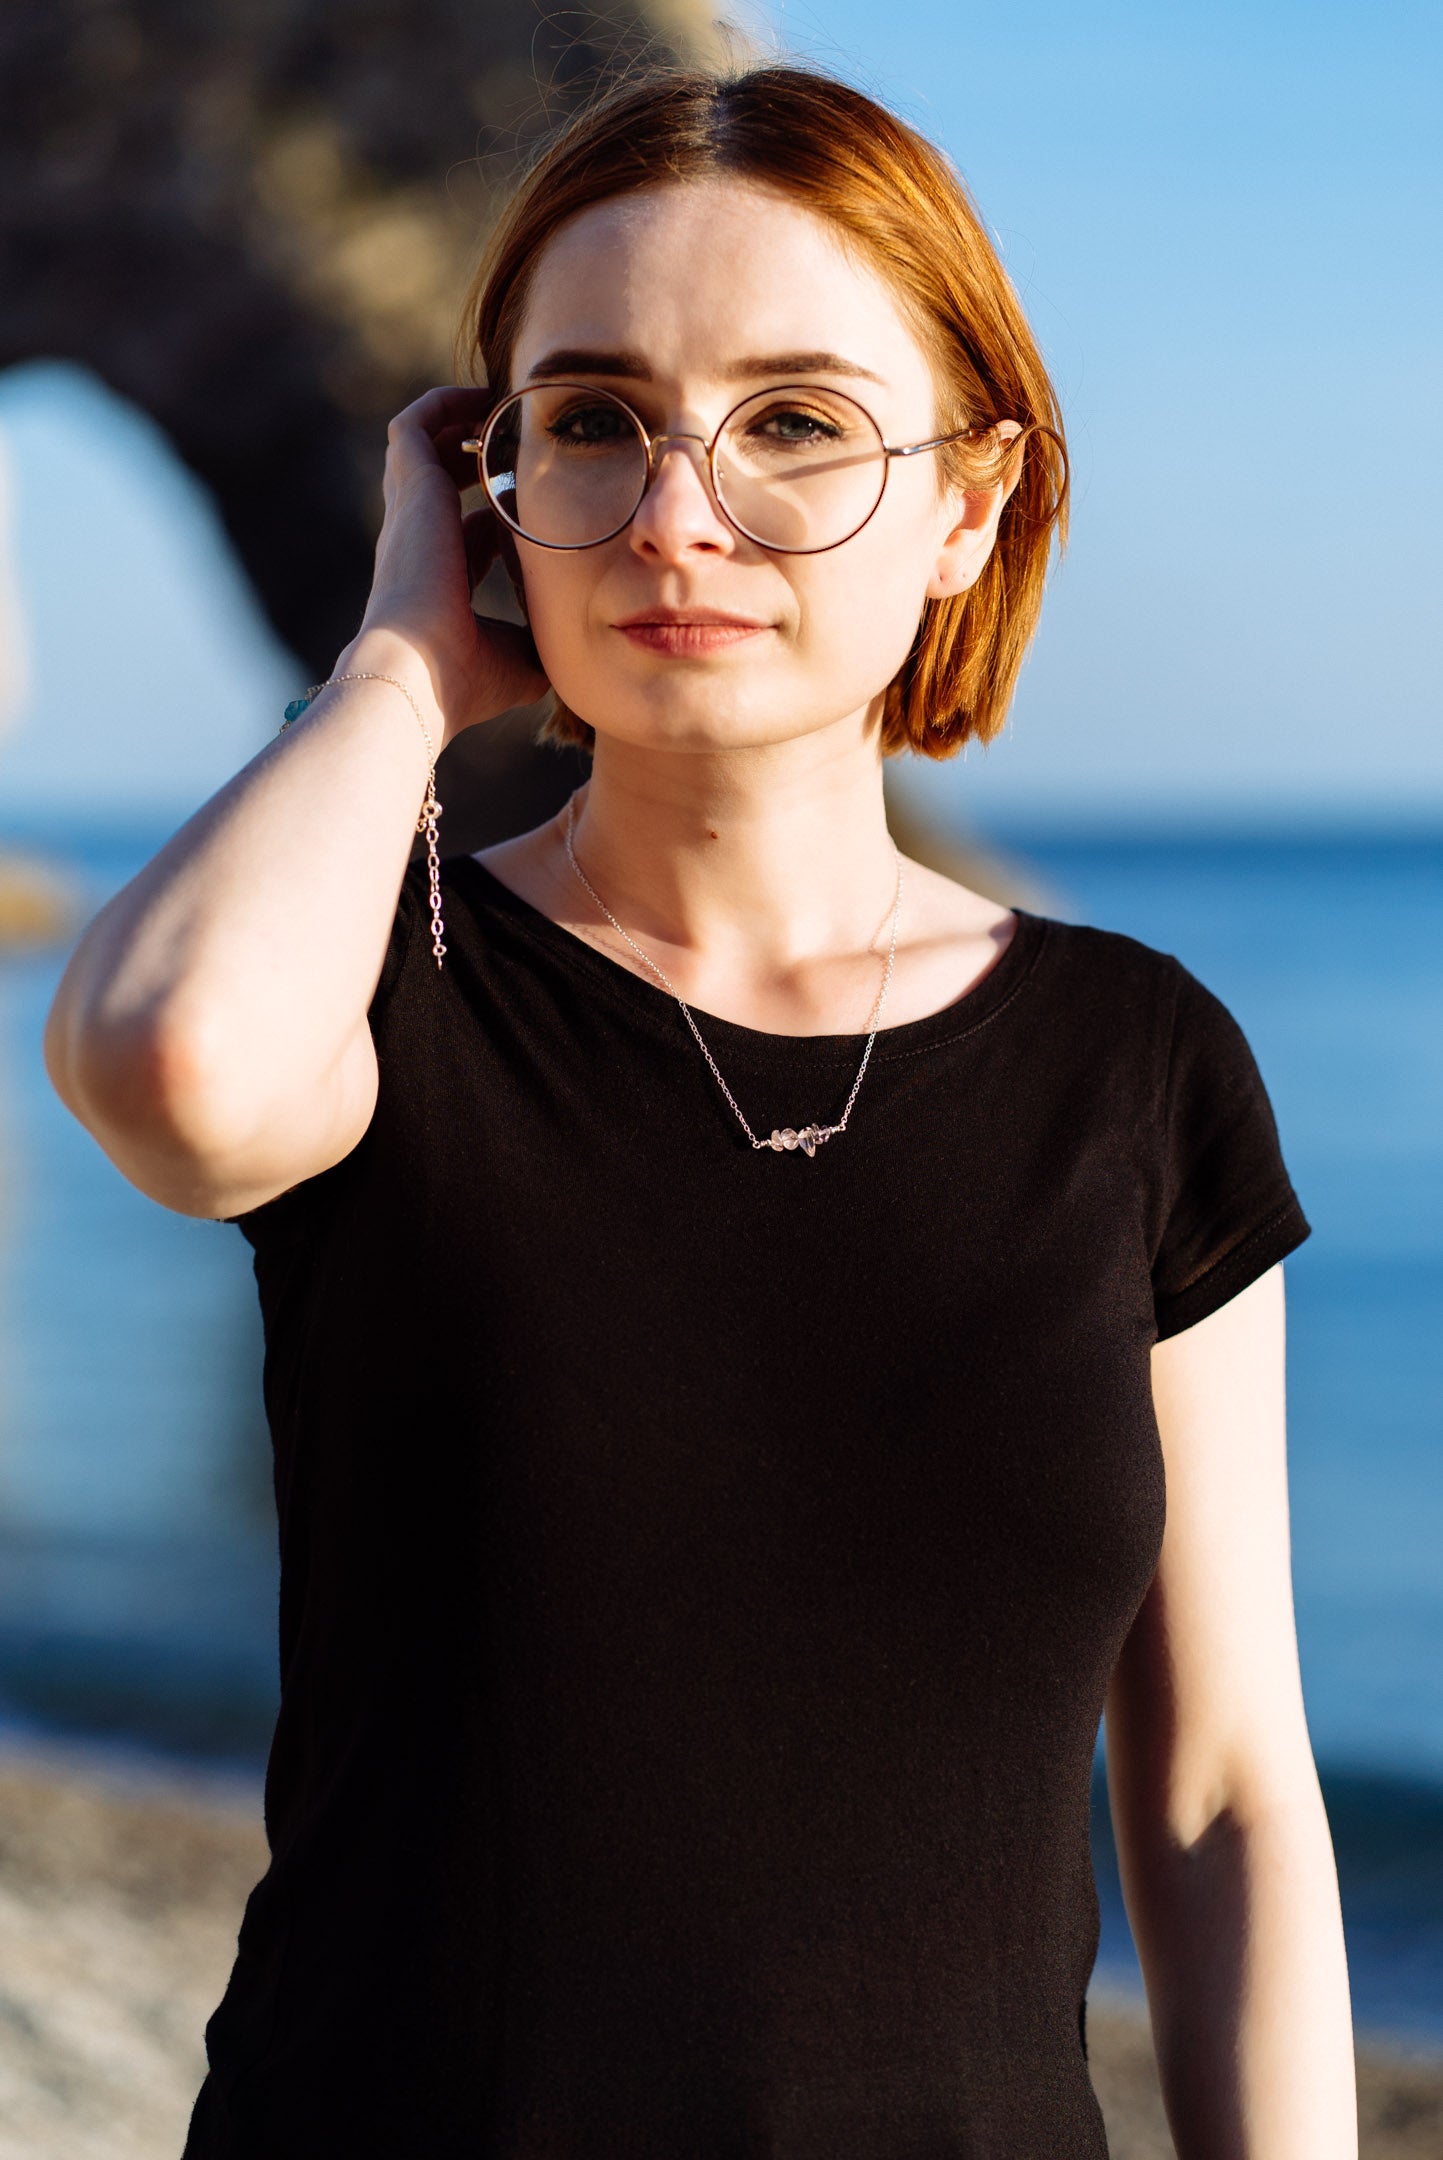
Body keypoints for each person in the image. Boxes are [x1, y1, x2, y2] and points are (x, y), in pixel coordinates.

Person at [45, 61, 1356, 2160]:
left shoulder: (1131, 1063)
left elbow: (1214, 1791)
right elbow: (173, 1069)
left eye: (793, 424)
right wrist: (400, 658)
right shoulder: (385, 995)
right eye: (589, 421)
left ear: (968, 501)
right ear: (483, 491)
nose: (675, 511)